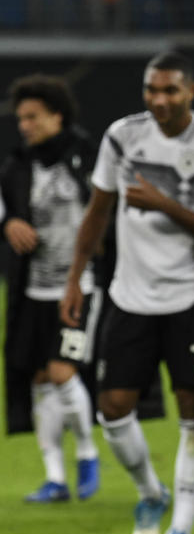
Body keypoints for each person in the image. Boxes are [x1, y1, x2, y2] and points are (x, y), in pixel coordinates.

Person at [60, 51, 194, 534]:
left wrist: (163, 204)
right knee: (112, 407)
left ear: (191, 91)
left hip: (192, 296)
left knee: (193, 412)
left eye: (170, 91)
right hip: (128, 295)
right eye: (151, 90)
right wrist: (76, 279)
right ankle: (150, 493)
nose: (159, 100)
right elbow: (97, 210)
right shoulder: (122, 135)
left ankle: (179, 528)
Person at [1, 74, 100, 502]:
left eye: (32, 117)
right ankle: (55, 478)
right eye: (21, 118)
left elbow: (107, 211)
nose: (24, 125)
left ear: (56, 115)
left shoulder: (87, 155)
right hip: (31, 288)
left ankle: (87, 453)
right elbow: (6, 212)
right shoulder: (17, 166)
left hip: (80, 286)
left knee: (62, 371)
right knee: (39, 378)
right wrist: (9, 223)